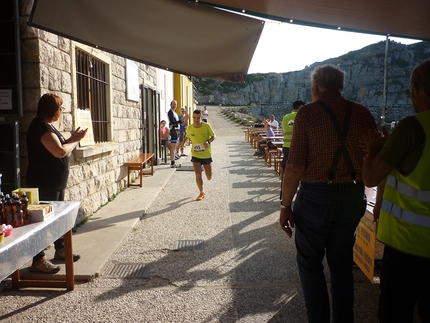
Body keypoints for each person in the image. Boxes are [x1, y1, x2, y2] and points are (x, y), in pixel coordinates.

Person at [279, 64, 377, 323]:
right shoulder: (363, 113)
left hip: (315, 199)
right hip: (352, 198)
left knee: (310, 264)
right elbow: (376, 158)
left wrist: (284, 206)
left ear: (315, 86)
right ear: (341, 86)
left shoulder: (307, 114)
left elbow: (294, 166)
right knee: (341, 264)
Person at [362, 60, 430, 323]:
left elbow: (370, 177)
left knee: (395, 313)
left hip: (407, 245)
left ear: (414, 88)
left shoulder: (412, 127)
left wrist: (375, 149)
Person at [26, 93, 88, 273]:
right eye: (60, 108)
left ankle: (60, 249)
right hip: (44, 183)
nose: (61, 112)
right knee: (41, 222)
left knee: (57, 218)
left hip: (55, 182)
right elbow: (60, 151)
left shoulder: (47, 126)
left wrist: (72, 139)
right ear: (52, 110)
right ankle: (38, 260)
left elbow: (60, 147)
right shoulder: (40, 127)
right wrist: (74, 141)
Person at [185, 109, 216, 201]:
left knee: (209, 177)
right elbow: (187, 136)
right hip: (195, 154)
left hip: (206, 154)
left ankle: (209, 172)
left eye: (198, 118)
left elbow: (214, 136)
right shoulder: (190, 128)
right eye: (194, 118)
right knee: (198, 174)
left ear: (201, 117)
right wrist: (182, 144)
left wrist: (208, 141)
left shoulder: (206, 126)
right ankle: (201, 192)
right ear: (192, 117)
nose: (196, 119)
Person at [279, 100, 305, 199]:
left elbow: (283, 131)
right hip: (299, 147)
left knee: (286, 170)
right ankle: (301, 195)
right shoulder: (302, 116)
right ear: (301, 107)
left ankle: (283, 195)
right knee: (302, 171)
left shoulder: (285, 117)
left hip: (286, 147)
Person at [167, 100, 182, 168]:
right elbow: (173, 122)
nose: (174, 105)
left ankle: (173, 161)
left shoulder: (174, 112)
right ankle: (172, 163)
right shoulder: (170, 112)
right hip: (174, 130)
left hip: (176, 130)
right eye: (173, 104)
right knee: (173, 147)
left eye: (175, 104)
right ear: (170, 104)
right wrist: (180, 121)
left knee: (175, 147)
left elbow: (177, 122)